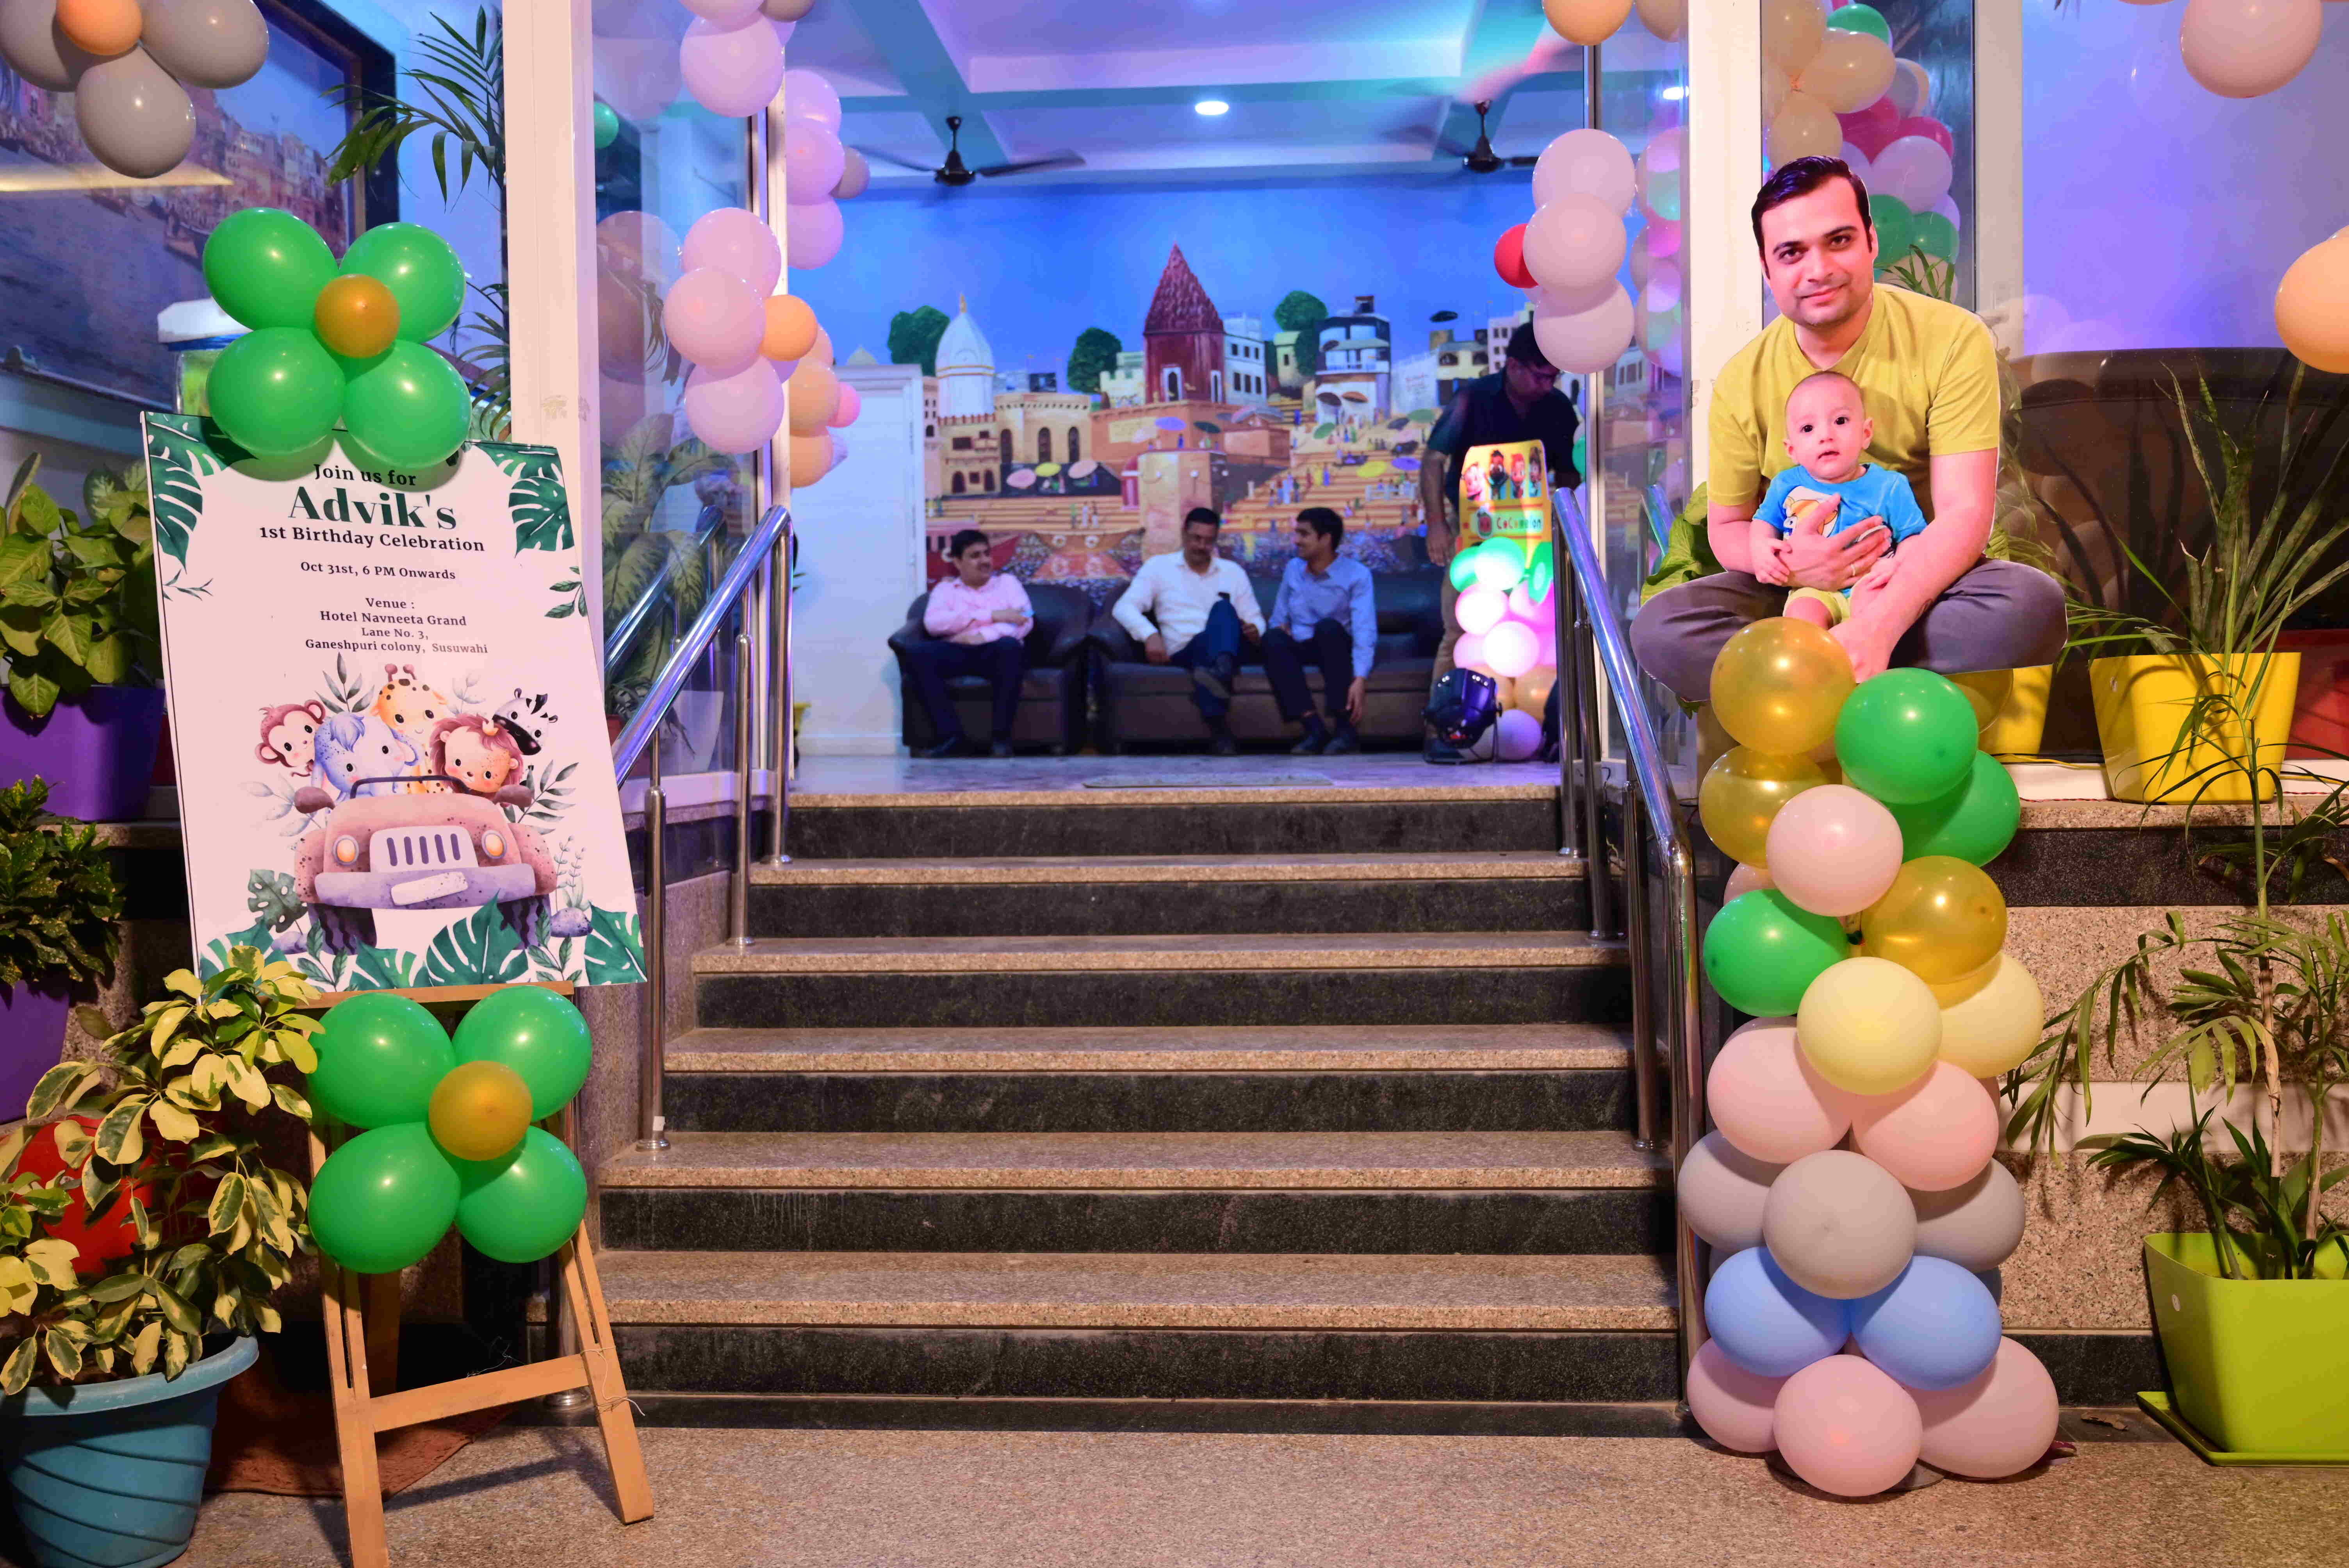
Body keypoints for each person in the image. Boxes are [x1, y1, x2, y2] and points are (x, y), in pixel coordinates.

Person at [1631, 156, 2065, 698]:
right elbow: (1728, 528)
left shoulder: (1952, 338)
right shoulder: (1743, 379)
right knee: (1662, 630)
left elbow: (1964, 513)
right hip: (1795, 591)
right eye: (1792, 253)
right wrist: (1798, 566)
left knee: (2030, 607)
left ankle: (1804, 669)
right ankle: (1837, 659)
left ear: (1871, 241)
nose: (1817, 270)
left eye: (1838, 241)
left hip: (1915, 578)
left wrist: (1878, 625)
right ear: (1767, 268)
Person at [1417, 326, 1583, 762]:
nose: (1548, 385)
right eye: (1541, 376)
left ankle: (1542, 729)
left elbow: (1569, 472)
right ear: (1513, 366)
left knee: (1539, 628)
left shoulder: (1557, 407)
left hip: (1535, 534)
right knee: (1460, 629)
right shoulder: (1472, 399)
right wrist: (1437, 525)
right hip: (1474, 533)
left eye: (1554, 377)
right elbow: (1434, 460)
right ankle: (1442, 732)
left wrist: (1567, 522)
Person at [1745, 371, 1931, 631]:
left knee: (1875, 614)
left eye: (1840, 421)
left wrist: (1897, 566)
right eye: (1808, 429)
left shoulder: (1889, 486)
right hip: (1813, 587)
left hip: (1872, 580)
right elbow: (1764, 522)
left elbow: (1913, 537)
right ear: (1792, 450)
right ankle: (1811, 656)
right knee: (1801, 619)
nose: (1826, 435)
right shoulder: (1786, 484)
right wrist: (1760, 549)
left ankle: (1861, 650)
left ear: (1866, 433)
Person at [1112, 506, 1264, 755]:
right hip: (1186, 650)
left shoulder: (1233, 572)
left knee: (1224, 609)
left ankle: (1217, 677)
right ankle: (1220, 677)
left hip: (1232, 648)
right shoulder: (1159, 568)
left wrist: (1256, 629)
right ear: (1184, 534)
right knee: (1218, 631)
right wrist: (1150, 634)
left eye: (1208, 541)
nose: (1202, 546)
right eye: (1196, 538)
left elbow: (1255, 618)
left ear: (1216, 540)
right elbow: (1124, 607)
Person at [903, 528, 1032, 758]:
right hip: (958, 652)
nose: (984, 561)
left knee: (1010, 648)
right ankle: (952, 738)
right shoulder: (945, 590)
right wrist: (993, 615)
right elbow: (934, 624)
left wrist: (982, 636)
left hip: (995, 652)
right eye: (975, 556)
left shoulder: (1008, 584)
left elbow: (1025, 620)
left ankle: (1000, 739)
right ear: (957, 562)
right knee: (917, 654)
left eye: (986, 554)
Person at [1262, 506, 1376, 754]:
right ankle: (1313, 728)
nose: (1296, 541)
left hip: (1336, 647)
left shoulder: (1357, 575)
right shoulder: (1293, 569)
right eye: (1297, 533)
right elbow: (1278, 619)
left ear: (1325, 539)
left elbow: (1364, 630)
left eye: (1304, 534)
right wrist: (1280, 628)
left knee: (1328, 629)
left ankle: (1345, 731)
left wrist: (1360, 678)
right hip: (1301, 645)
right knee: (1272, 639)